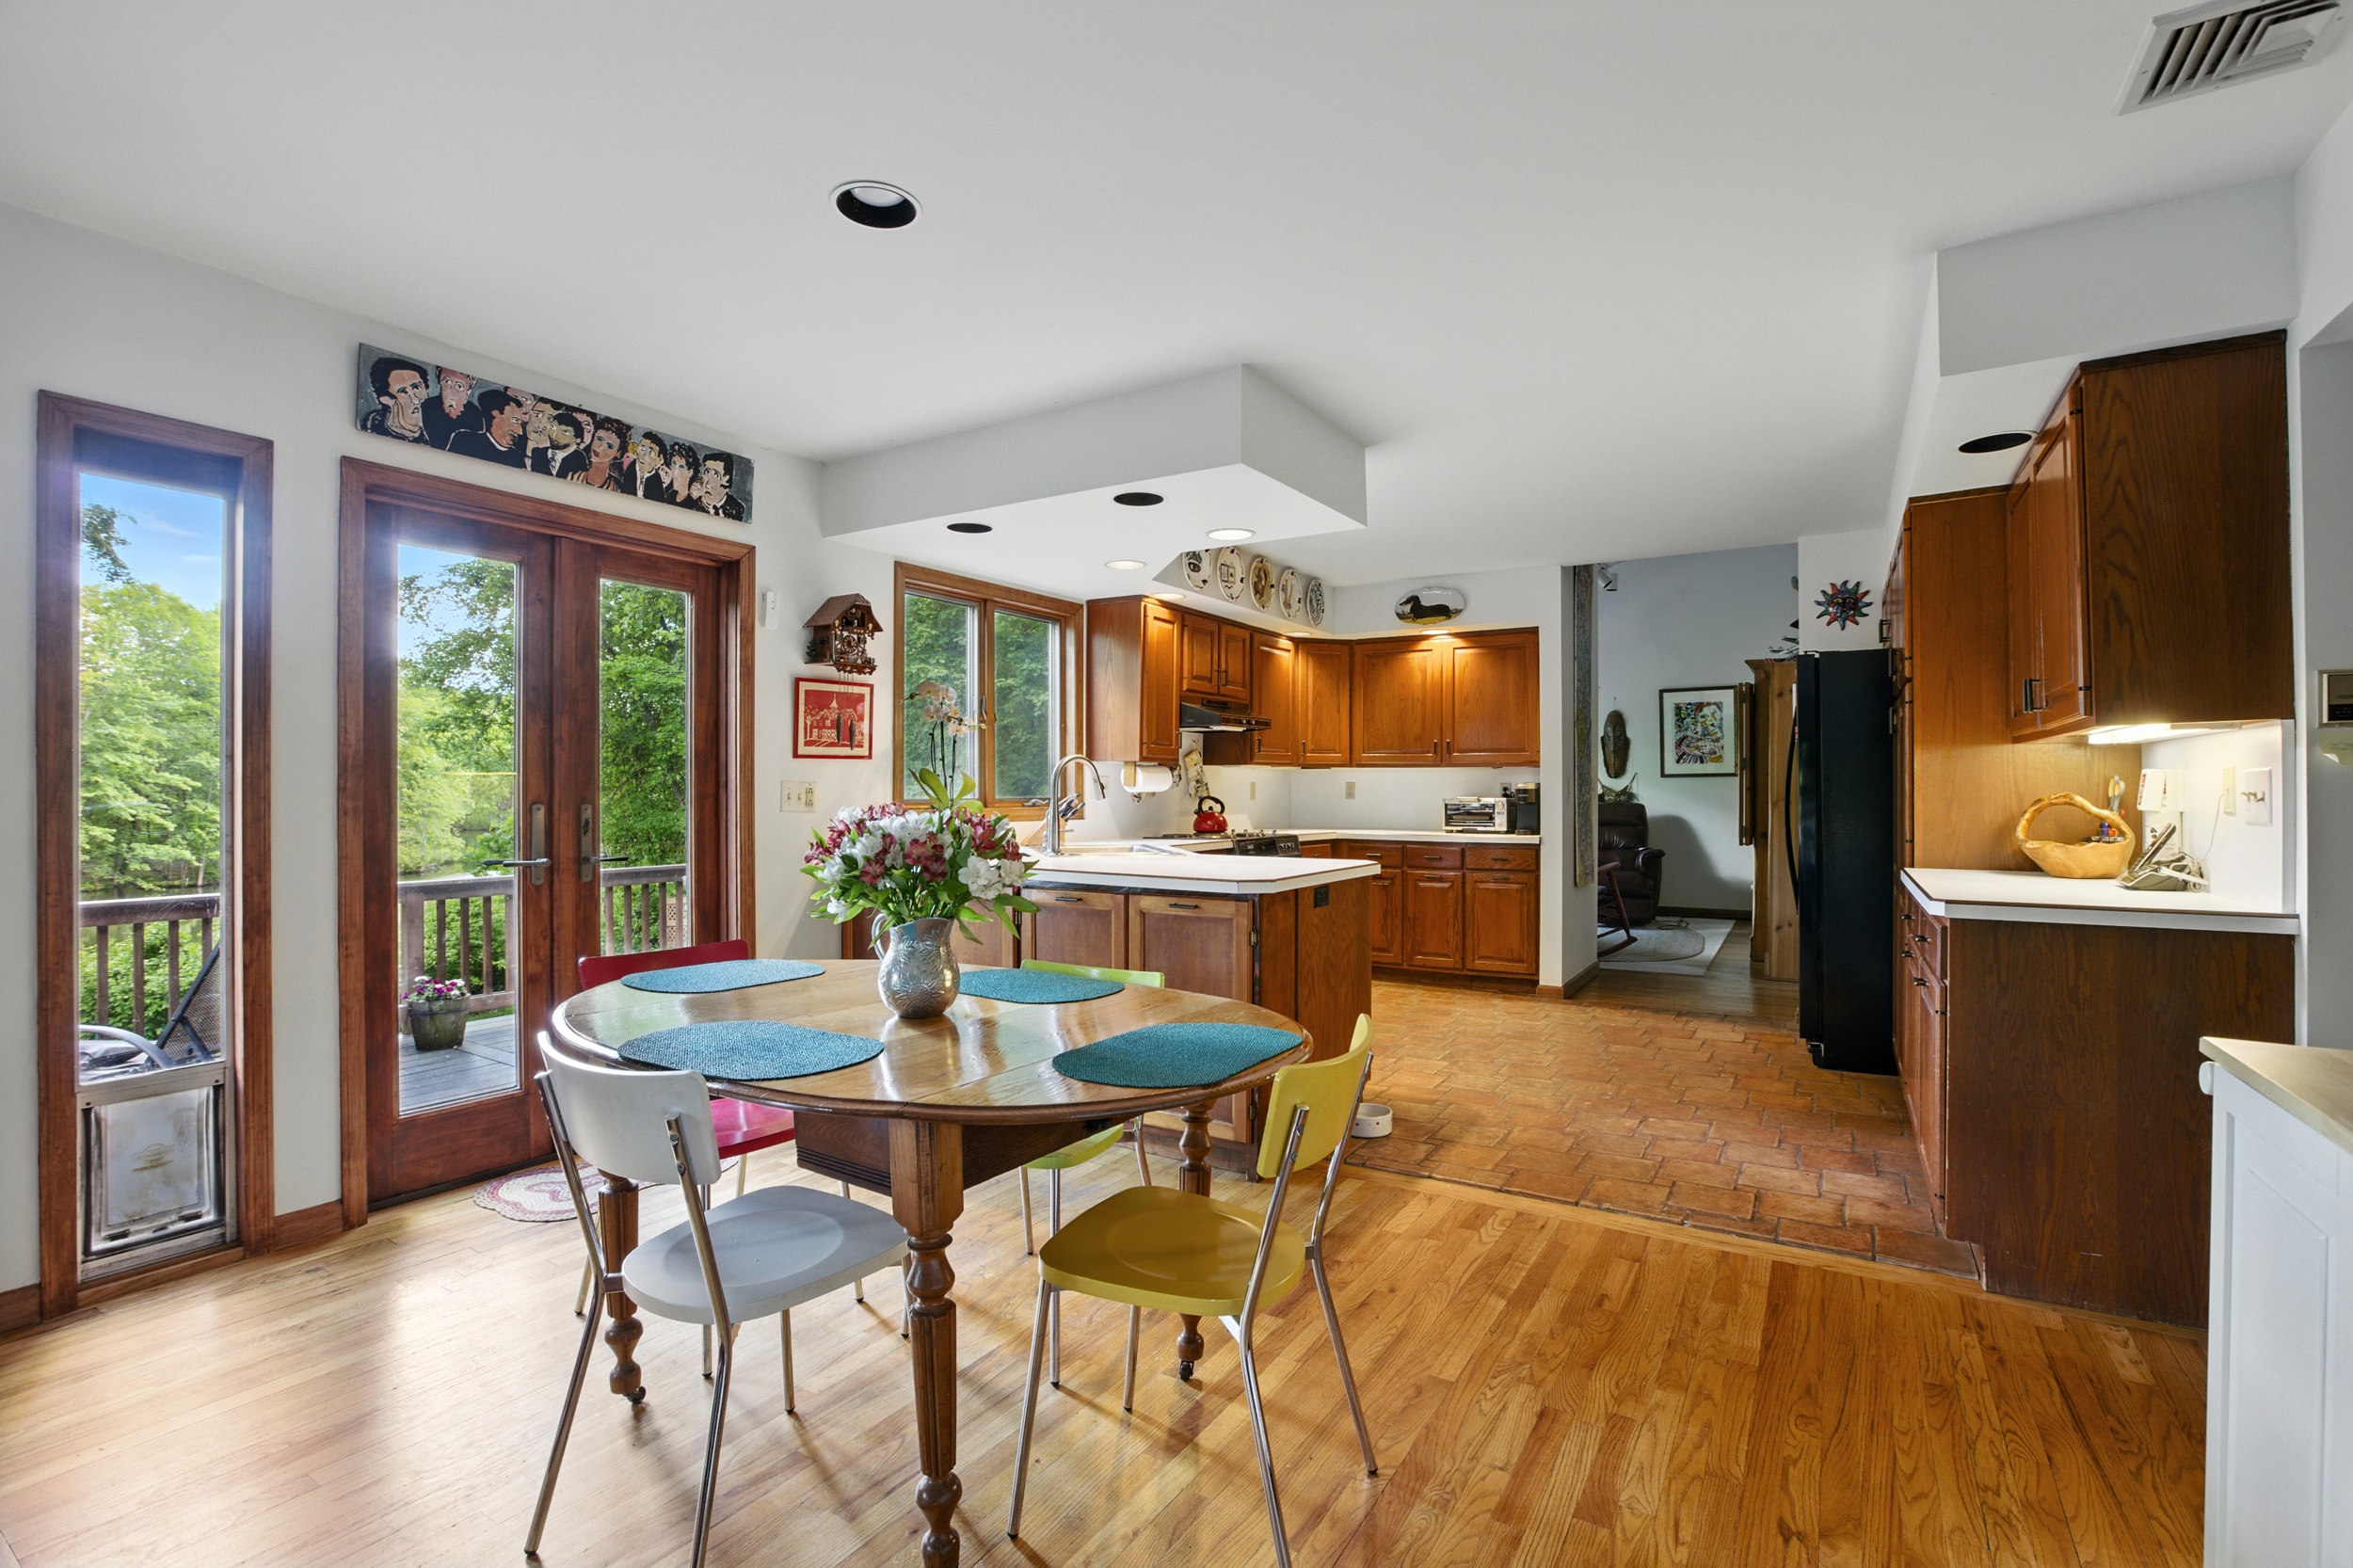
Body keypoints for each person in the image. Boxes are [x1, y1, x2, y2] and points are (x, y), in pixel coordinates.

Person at [445, 387, 530, 466]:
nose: (519, 431)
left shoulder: (517, 458)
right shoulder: (465, 440)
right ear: (495, 414)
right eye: (515, 421)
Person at [361, 356, 431, 443]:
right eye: (404, 392)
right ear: (387, 400)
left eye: (417, 387)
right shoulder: (371, 428)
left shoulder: (439, 430)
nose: (416, 400)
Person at [569, 416, 632, 491]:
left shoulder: (617, 489)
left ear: (618, 453)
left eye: (609, 446)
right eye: (599, 439)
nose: (600, 448)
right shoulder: (573, 476)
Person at [423, 367, 480, 448]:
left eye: (459, 386)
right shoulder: (426, 407)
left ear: (467, 393)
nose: (450, 393)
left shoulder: (474, 414)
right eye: (446, 382)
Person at [691, 450, 746, 520]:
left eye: (716, 475)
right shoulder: (692, 506)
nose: (708, 485)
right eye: (707, 472)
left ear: (726, 478)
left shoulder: (738, 509)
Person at [648, 440, 698, 506]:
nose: (675, 472)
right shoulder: (671, 494)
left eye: (681, 467)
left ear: (690, 472)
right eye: (674, 464)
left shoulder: (691, 504)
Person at [626, 430, 667, 497]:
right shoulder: (630, 469)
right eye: (642, 449)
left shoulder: (656, 480)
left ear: (659, 460)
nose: (644, 456)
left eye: (650, 452)